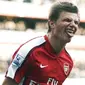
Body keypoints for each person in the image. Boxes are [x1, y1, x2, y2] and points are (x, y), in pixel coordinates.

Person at [2, 1, 80, 85]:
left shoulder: (68, 62)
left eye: (76, 22)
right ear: (52, 23)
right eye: (67, 20)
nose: (73, 25)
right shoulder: (30, 51)